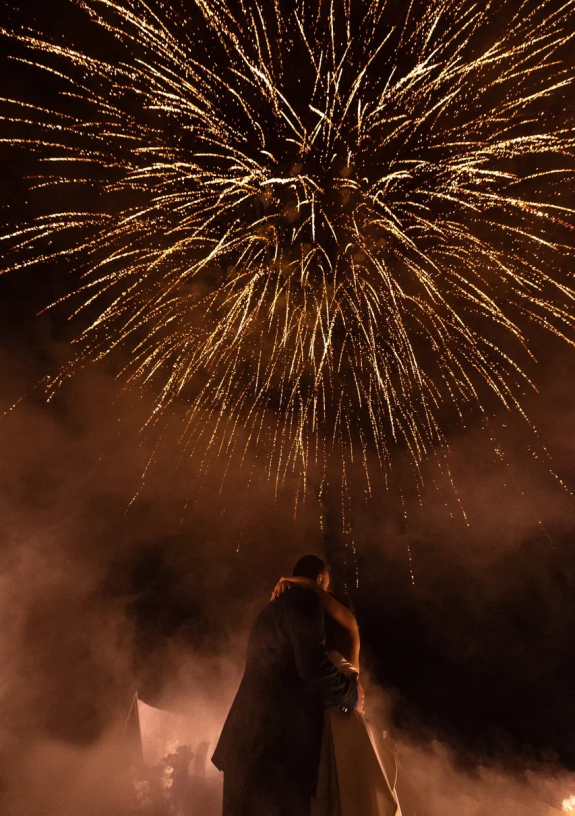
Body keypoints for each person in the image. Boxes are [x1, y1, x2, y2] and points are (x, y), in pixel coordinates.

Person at [212, 554, 359, 816]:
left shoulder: (270, 608)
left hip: (244, 744)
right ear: (319, 579)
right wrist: (353, 697)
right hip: (275, 752)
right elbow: (313, 668)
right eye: (327, 588)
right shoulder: (306, 600)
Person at [271, 571, 402, 816]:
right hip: (325, 726)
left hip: (346, 725)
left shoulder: (350, 626)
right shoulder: (318, 650)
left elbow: (318, 593)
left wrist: (302, 583)